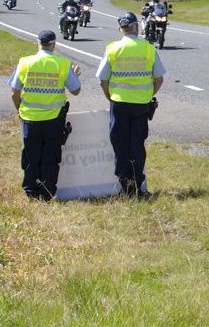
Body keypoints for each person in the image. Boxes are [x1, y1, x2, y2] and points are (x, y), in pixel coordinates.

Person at [97, 12, 166, 197]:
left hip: (119, 103)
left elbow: (102, 80)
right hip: (141, 105)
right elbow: (159, 79)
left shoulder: (113, 49)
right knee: (137, 144)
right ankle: (137, 183)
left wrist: (109, 96)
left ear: (121, 28)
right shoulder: (148, 48)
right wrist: (147, 93)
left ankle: (125, 185)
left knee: (120, 144)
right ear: (136, 27)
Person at [7, 30, 81, 200]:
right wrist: (74, 74)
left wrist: (20, 110)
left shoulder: (24, 63)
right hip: (53, 119)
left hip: (30, 119)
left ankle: (31, 192)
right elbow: (76, 90)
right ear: (54, 45)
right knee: (50, 155)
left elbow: (14, 92)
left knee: (31, 156)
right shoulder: (62, 63)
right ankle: (47, 193)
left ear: (38, 43)